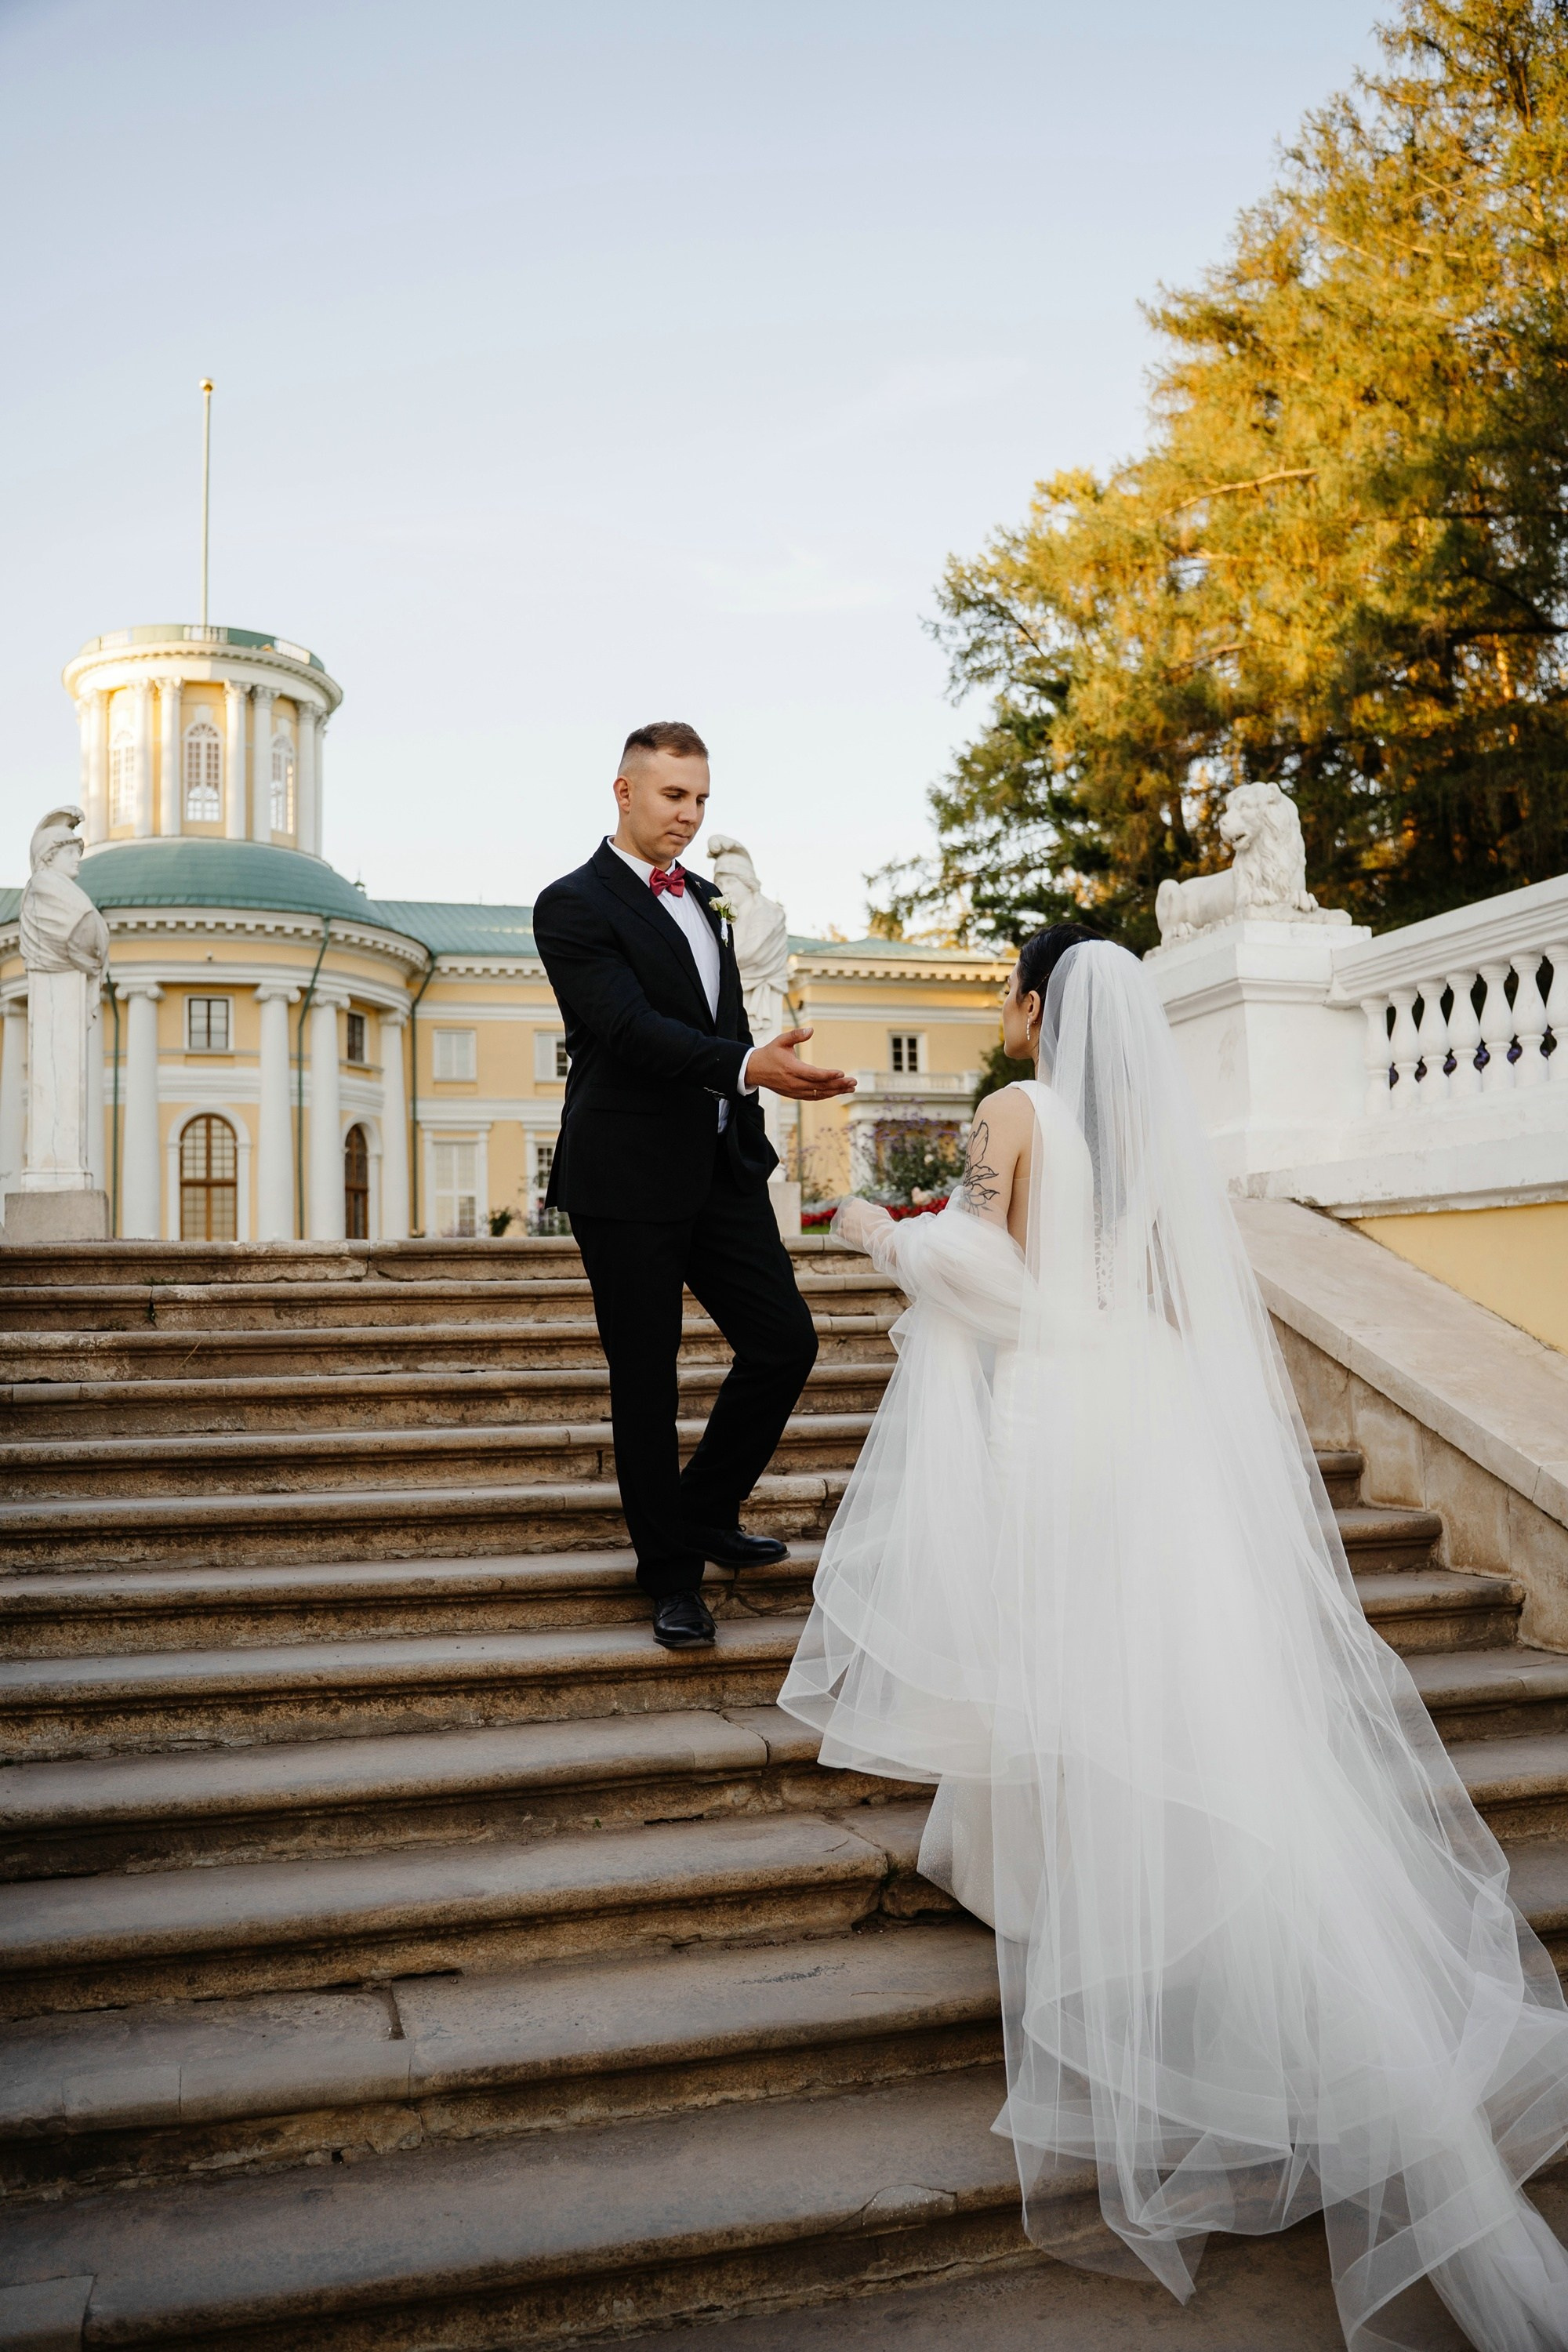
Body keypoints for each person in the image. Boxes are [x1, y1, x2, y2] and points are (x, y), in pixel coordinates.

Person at [779, 926, 1568, 2351]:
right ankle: (1213, 1966)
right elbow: (1176, 1301)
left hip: (1056, 1419)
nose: (1012, 1023)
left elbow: (982, 1272)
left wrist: (882, 1234)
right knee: (1167, 1689)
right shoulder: (1157, 1135)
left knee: (1070, 1671)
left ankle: (1104, 1943)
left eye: (1017, 999)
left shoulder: (1016, 1114)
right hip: (1150, 1416)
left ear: (1035, 1005)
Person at [532, 721, 855, 1650]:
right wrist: (751, 1065)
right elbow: (628, 1032)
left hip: (719, 1167)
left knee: (783, 1343)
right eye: (674, 796)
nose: (691, 814)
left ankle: (703, 1511)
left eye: (702, 798)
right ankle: (668, 1573)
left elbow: (722, 1018)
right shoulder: (571, 905)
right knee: (646, 1380)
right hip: (624, 1175)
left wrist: (754, 1083)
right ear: (624, 792)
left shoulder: (710, 901)